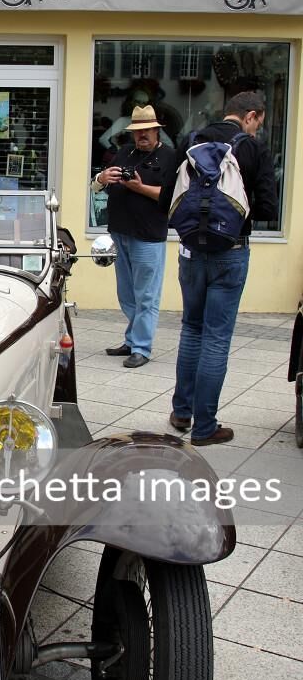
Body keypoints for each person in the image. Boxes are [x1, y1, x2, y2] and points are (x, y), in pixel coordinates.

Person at [160, 91, 278, 445]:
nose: (258, 128)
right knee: (216, 338)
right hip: (231, 252)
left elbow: (169, 196)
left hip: (191, 251)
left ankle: (182, 412)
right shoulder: (252, 149)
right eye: (259, 121)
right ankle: (206, 426)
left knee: (191, 329)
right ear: (251, 116)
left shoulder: (191, 140)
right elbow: (270, 208)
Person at [91, 104, 177, 368]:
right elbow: (96, 187)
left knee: (147, 296)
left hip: (148, 236)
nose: (142, 136)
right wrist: (102, 177)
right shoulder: (124, 152)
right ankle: (131, 340)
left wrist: (140, 188)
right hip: (120, 232)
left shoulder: (170, 157)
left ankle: (141, 347)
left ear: (157, 131)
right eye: (138, 131)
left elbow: (172, 197)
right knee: (127, 294)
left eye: (147, 131)